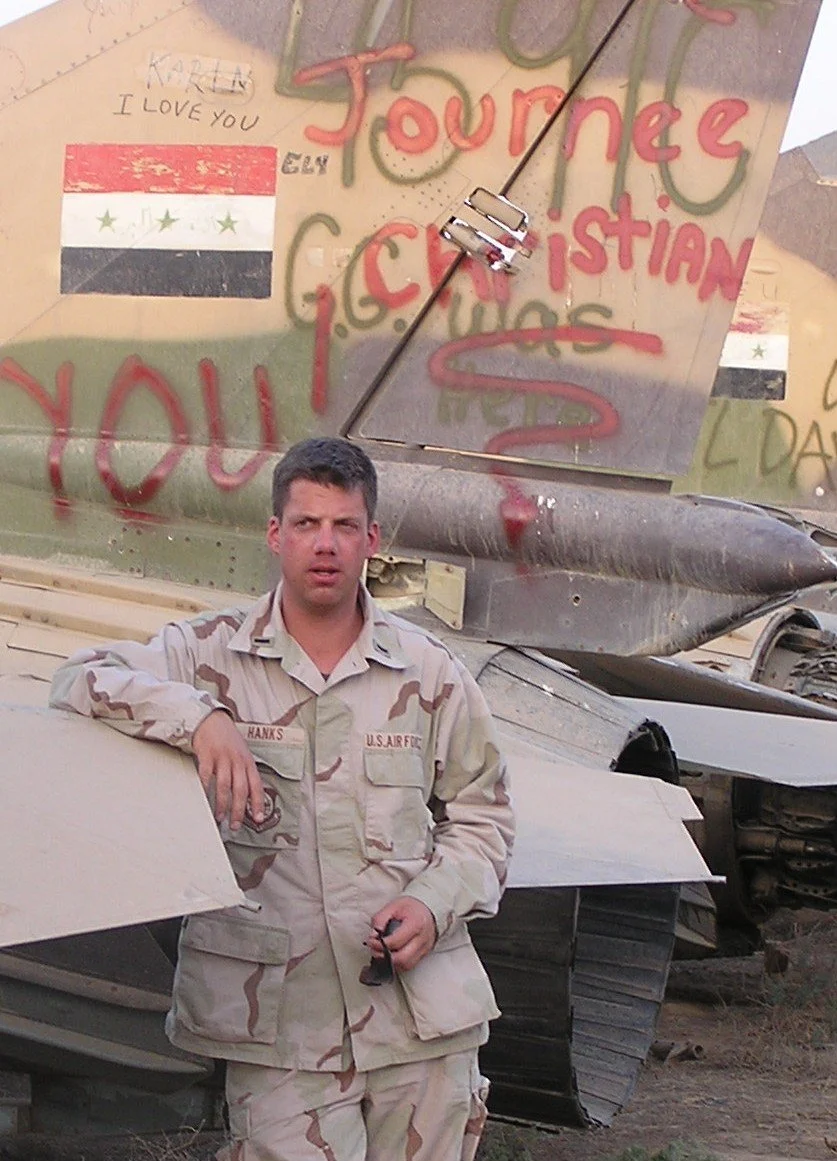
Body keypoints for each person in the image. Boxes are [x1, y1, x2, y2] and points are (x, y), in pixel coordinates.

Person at [50, 436, 514, 1161]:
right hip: (279, 1028)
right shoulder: (206, 654)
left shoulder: (429, 674)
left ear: (371, 539)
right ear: (274, 534)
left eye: (342, 526)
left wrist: (433, 901)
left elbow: (483, 817)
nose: (323, 545)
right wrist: (199, 718)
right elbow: (80, 675)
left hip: (418, 1020)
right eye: (305, 524)